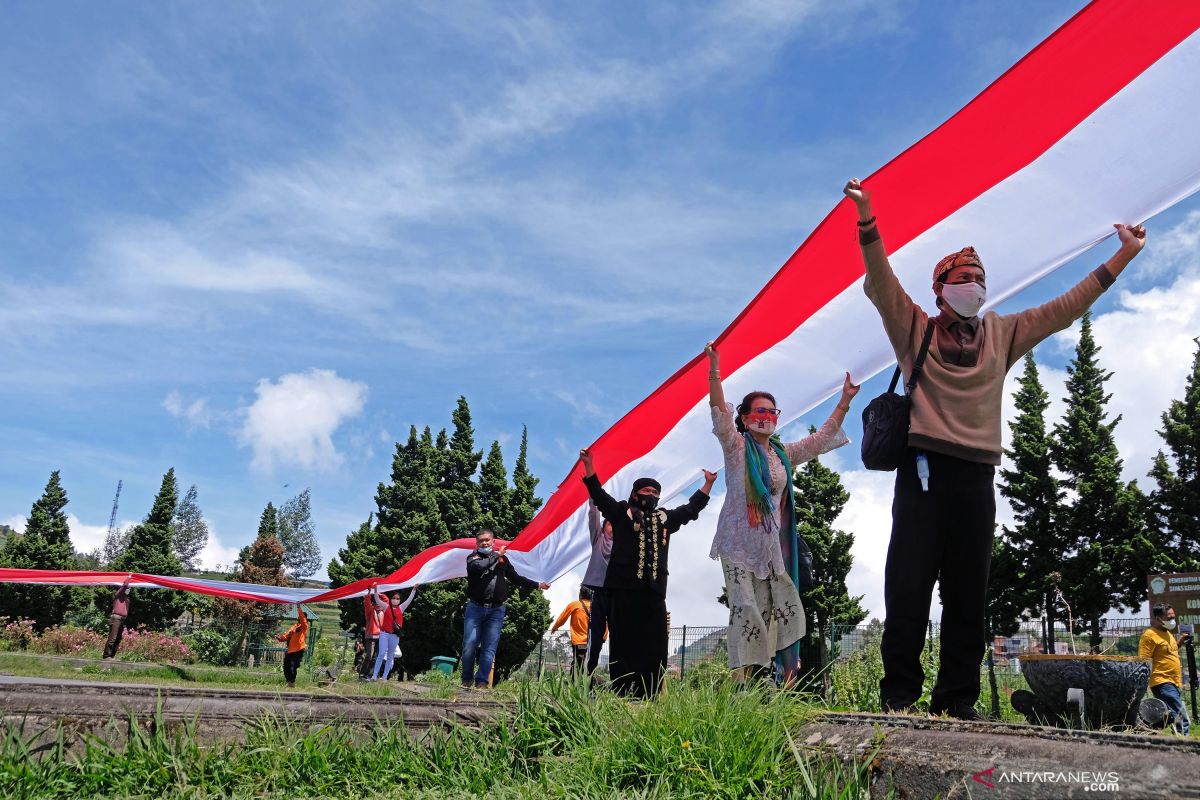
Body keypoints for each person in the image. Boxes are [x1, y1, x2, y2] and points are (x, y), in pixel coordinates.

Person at [844, 178, 1147, 719]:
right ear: (940, 289)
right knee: (907, 589)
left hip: (977, 478)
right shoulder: (914, 328)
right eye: (963, 279)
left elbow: (1065, 307)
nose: (974, 287)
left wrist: (1122, 255)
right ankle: (899, 699)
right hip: (922, 472)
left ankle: (957, 701)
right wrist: (868, 218)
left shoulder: (1003, 333)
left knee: (967, 596)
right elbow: (881, 280)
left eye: (980, 280)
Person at [705, 342, 858, 684]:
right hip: (737, 544)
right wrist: (714, 368)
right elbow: (718, 409)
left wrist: (845, 401)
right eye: (758, 411)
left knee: (770, 609)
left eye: (772, 412)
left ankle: (760, 679)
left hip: (769, 547)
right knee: (744, 608)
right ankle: (743, 679)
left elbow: (820, 440)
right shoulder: (736, 446)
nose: (765, 416)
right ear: (744, 418)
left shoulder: (782, 454)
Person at [579, 448, 716, 698]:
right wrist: (589, 466)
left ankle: (649, 695)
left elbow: (690, 510)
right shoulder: (621, 512)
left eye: (655, 493)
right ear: (634, 493)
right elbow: (598, 495)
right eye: (646, 491)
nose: (651, 495)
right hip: (622, 590)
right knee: (623, 643)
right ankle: (623, 693)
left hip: (654, 592)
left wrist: (708, 484)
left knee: (654, 644)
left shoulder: (664, 518)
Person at [462, 530, 551, 689]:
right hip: (475, 608)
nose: (484, 543)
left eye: (487, 540)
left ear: (493, 541)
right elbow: (480, 568)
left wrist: (538, 585)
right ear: (476, 544)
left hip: (496, 611)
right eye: (481, 541)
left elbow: (516, 578)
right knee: (469, 645)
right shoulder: (473, 558)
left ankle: (481, 682)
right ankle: (466, 679)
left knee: (489, 648)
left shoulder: (503, 560)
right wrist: (497, 555)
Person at [1140, 603, 1192, 735]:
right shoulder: (1149, 635)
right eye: (1169, 617)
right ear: (1158, 618)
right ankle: (1183, 743)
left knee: (1168, 714)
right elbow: (1143, 660)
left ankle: (1147, 730)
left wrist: (1180, 642)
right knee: (1181, 716)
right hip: (1162, 681)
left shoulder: (1167, 633)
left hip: (1174, 681)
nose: (1172, 620)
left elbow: (1170, 651)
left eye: (1173, 617)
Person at [582, 500, 613, 674]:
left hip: (617, 594)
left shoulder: (622, 544)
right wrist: (593, 495)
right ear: (603, 527)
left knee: (618, 634)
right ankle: (589, 672)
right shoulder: (598, 539)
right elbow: (594, 516)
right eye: (610, 524)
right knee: (597, 635)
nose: (613, 527)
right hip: (600, 593)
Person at [370, 584, 416, 681]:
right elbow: (377, 599)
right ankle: (374, 676)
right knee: (381, 654)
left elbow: (409, 600)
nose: (396, 599)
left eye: (397, 598)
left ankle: (385, 677)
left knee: (390, 656)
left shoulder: (401, 608)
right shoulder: (386, 607)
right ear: (391, 599)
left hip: (395, 636)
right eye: (394, 598)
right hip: (384, 633)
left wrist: (414, 589)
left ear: (399, 600)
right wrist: (375, 590)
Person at [551, 587, 598, 676]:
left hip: (579, 641)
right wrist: (603, 638)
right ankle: (588, 684)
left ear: (580, 594)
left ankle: (575, 684)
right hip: (593, 642)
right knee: (589, 665)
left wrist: (555, 627)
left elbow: (562, 618)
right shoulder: (596, 606)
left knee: (578, 664)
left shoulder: (575, 605)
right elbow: (605, 622)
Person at [277, 606, 309, 688]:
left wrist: (299, 608)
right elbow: (286, 636)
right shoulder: (294, 626)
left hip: (299, 650)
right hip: (290, 650)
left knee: (293, 666)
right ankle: (288, 682)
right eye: (299, 617)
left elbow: (303, 620)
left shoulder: (304, 627)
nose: (300, 618)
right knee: (286, 666)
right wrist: (280, 638)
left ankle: (292, 682)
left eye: (302, 617)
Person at [102, 574, 132, 659]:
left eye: (130, 589)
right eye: (128, 589)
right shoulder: (118, 595)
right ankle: (106, 655)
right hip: (116, 619)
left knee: (118, 639)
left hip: (121, 620)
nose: (129, 590)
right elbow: (125, 586)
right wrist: (129, 577)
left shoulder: (126, 599)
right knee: (112, 638)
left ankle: (111, 656)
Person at [359, 590, 382, 680]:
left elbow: (387, 600)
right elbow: (367, 602)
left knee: (375, 657)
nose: (379, 603)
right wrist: (369, 593)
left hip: (380, 637)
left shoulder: (383, 611)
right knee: (369, 655)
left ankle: (370, 675)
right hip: (371, 636)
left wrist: (380, 592)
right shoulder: (370, 611)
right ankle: (362, 674)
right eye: (377, 601)